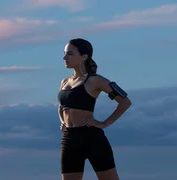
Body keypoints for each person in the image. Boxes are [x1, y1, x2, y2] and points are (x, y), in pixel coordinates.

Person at [57, 38, 132, 180]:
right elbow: (62, 107)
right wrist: (63, 121)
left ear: (84, 57)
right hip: (69, 139)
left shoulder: (95, 81)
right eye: (65, 53)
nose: (64, 57)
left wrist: (104, 123)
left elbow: (125, 102)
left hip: (92, 139)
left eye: (70, 54)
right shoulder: (65, 82)